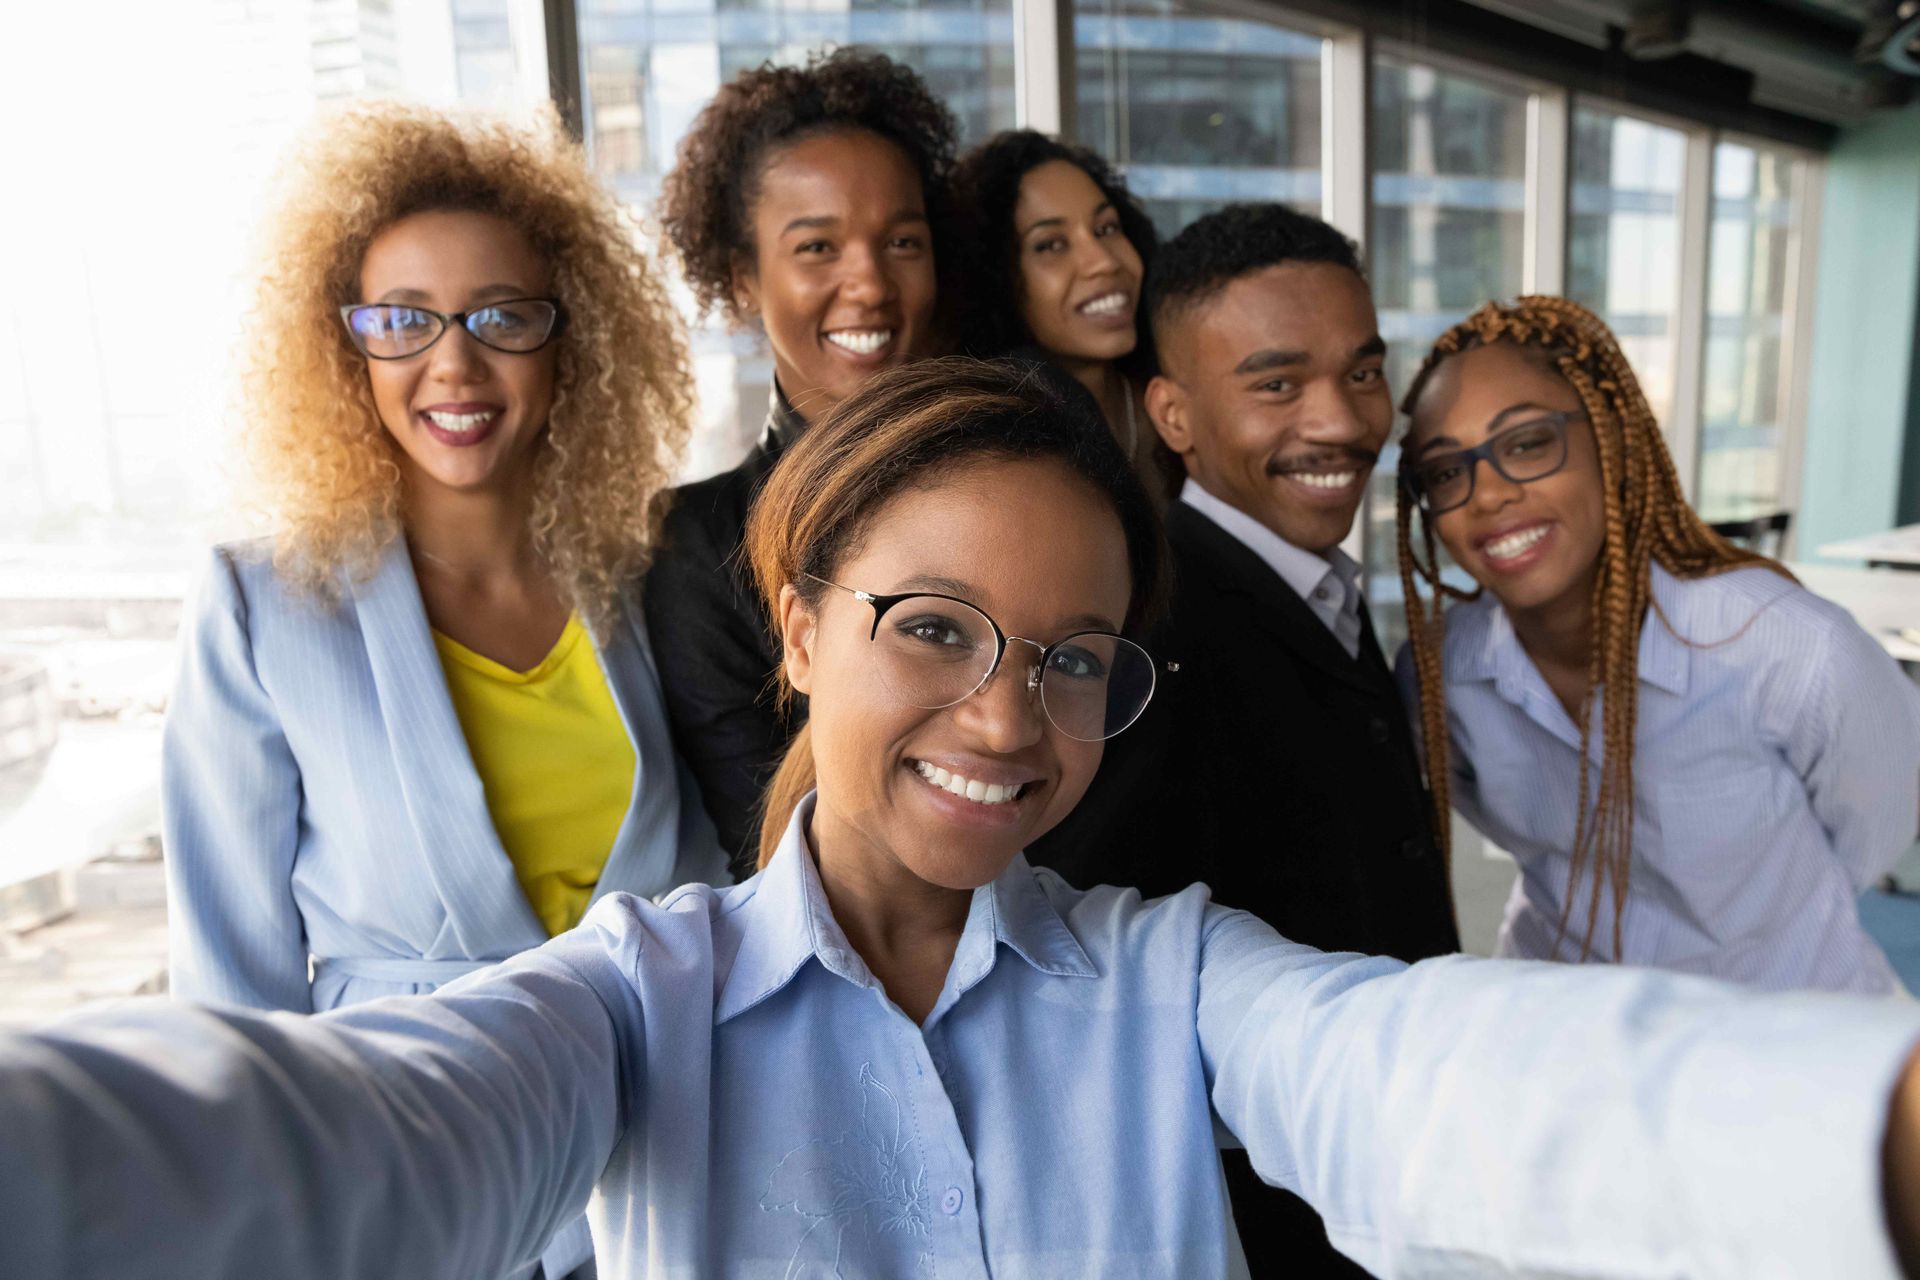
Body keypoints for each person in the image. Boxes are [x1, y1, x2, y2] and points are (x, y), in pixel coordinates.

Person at [11, 358, 1920, 1280]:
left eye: (1077, 655)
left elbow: (1421, 1075)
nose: (1010, 718)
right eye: (934, 629)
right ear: (799, 626)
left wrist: (1872, 1134)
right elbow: (347, 1137)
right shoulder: (627, 1003)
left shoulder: (1167, 978)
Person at [162, 101, 725, 1279]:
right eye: (402, 319)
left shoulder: (640, 578)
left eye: (501, 316)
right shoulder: (262, 605)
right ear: (346, 346)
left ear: (574, 339)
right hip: (411, 1186)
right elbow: (231, 990)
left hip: (673, 1172)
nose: (453, 361)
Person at [1030, 202, 1457, 1277]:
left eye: (1363, 371)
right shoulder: (1148, 629)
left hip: (1378, 1174)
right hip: (1269, 1219)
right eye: (1277, 383)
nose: (1344, 420)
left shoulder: (1319, 583)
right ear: (1171, 412)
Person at [1394, 295, 1920, 993]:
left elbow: (1876, 829)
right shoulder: (1441, 671)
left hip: (1786, 1036)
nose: (1486, 494)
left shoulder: (1789, 651)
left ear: (1609, 440)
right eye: (1445, 471)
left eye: (1526, 443)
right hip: (1567, 1030)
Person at [645, 48, 957, 871]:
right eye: (818, 247)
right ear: (745, 277)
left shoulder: (1012, 486)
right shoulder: (694, 542)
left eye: (903, 241)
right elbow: (769, 846)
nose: (870, 284)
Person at [949, 129, 1161, 485]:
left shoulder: (1182, 398)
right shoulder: (986, 455)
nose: (1103, 262)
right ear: (994, 277)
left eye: (1107, 228)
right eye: (1051, 245)